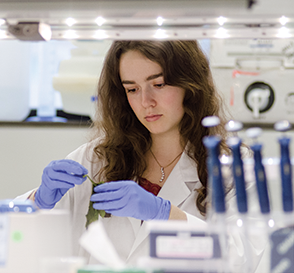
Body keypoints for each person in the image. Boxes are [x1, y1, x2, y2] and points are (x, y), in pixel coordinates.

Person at [16, 40, 261, 269]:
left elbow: (245, 259)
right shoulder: (96, 158)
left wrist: (167, 215)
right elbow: (9, 238)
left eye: (158, 84)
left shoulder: (231, 165)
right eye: (132, 89)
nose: (146, 102)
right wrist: (38, 202)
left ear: (190, 84)